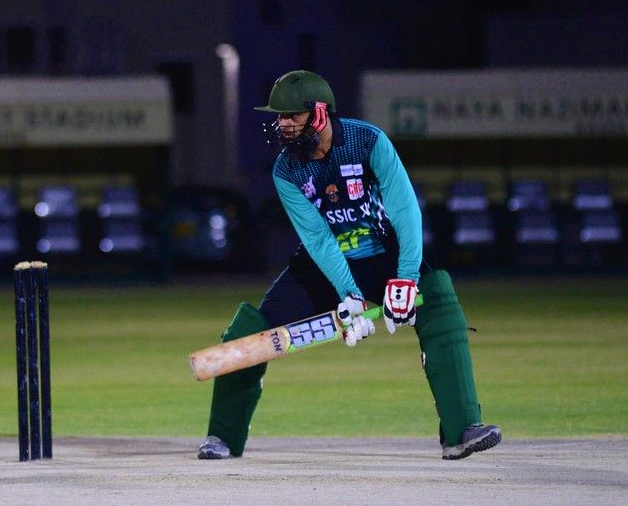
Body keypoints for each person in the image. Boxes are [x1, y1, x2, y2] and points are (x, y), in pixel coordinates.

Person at [196, 70, 501, 461]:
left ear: (320, 113)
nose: (284, 124)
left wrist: (407, 278)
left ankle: (462, 431)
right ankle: (222, 436)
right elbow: (318, 238)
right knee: (249, 330)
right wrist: (349, 294)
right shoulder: (286, 170)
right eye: (280, 116)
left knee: (439, 302)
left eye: (293, 115)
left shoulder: (367, 141)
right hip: (324, 265)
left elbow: (404, 209)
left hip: (383, 253)